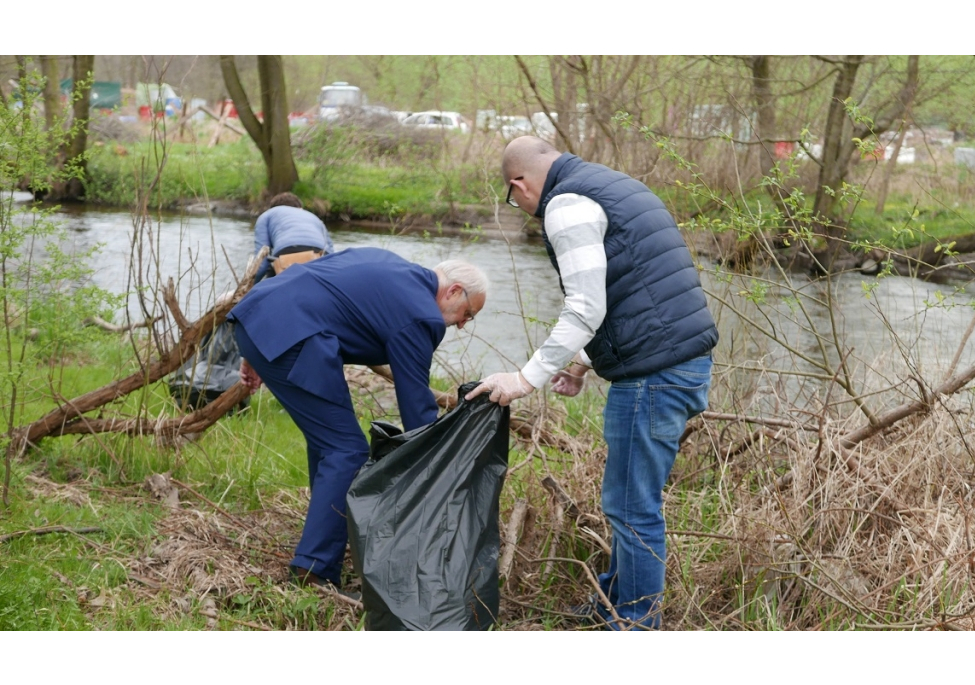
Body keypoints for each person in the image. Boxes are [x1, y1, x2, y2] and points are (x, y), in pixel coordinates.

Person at [467, 136, 718, 630]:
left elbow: (584, 306)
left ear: (520, 184)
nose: (518, 207)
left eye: (511, 198)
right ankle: (617, 601)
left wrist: (524, 379)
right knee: (628, 497)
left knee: (631, 505)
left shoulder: (566, 205)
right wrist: (583, 360)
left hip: (654, 375)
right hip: (678, 362)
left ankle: (634, 623)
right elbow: (635, 292)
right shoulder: (611, 185)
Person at [229, 247, 488, 590]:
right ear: (454, 291)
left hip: (259, 316)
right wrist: (445, 467)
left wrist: (255, 349)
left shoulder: (387, 262)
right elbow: (418, 412)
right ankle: (314, 570)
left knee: (330, 443)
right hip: (292, 336)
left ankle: (321, 537)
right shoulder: (422, 314)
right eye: (467, 313)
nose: (462, 324)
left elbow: (307, 280)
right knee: (346, 451)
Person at [252, 192, 334, 283]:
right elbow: (331, 254)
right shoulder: (315, 218)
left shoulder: (267, 215)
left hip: (286, 253)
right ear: (300, 208)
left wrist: (247, 289)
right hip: (320, 255)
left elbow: (261, 261)